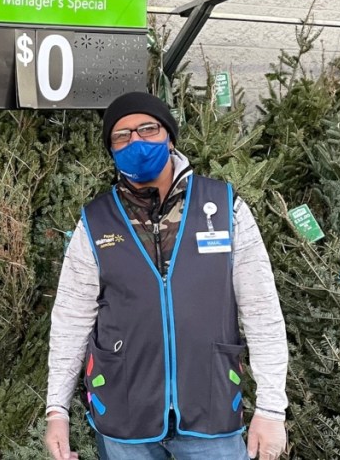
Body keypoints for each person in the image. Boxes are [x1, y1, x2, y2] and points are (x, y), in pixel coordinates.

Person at [44, 92, 288, 460]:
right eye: (121, 136)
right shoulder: (95, 221)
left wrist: (271, 410)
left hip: (212, 414)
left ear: (169, 137)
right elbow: (71, 322)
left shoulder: (224, 207)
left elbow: (261, 311)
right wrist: (56, 411)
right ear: (111, 150)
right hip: (126, 421)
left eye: (148, 129)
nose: (136, 142)